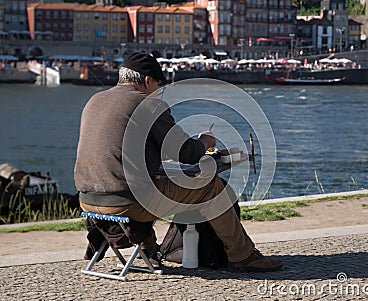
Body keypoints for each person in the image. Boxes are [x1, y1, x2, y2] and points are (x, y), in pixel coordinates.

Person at [74, 52, 283, 272]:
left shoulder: (94, 100)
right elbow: (187, 153)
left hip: (87, 201)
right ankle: (244, 256)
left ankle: (148, 249)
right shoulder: (148, 104)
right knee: (211, 186)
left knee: (144, 185)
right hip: (128, 204)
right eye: (157, 84)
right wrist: (205, 141)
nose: (157, 91)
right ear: (147, 81)